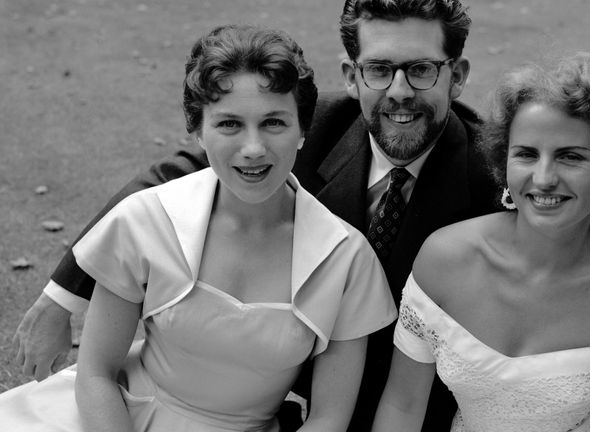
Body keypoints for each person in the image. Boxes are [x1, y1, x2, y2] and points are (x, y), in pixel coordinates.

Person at [11, 1, 496, 431]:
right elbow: (172, 182)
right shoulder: (301, 121)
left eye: (421, 69)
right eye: (380, 69)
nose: (400, 90)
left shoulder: (499, 179)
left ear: (458, 74)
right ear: (352, 76)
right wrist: (64, 294)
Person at [371, 52, 590, 432]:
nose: (544, 177)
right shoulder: (444, 258)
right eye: (527, 154)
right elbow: (403, 406)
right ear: (505, 163)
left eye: (570, 156)